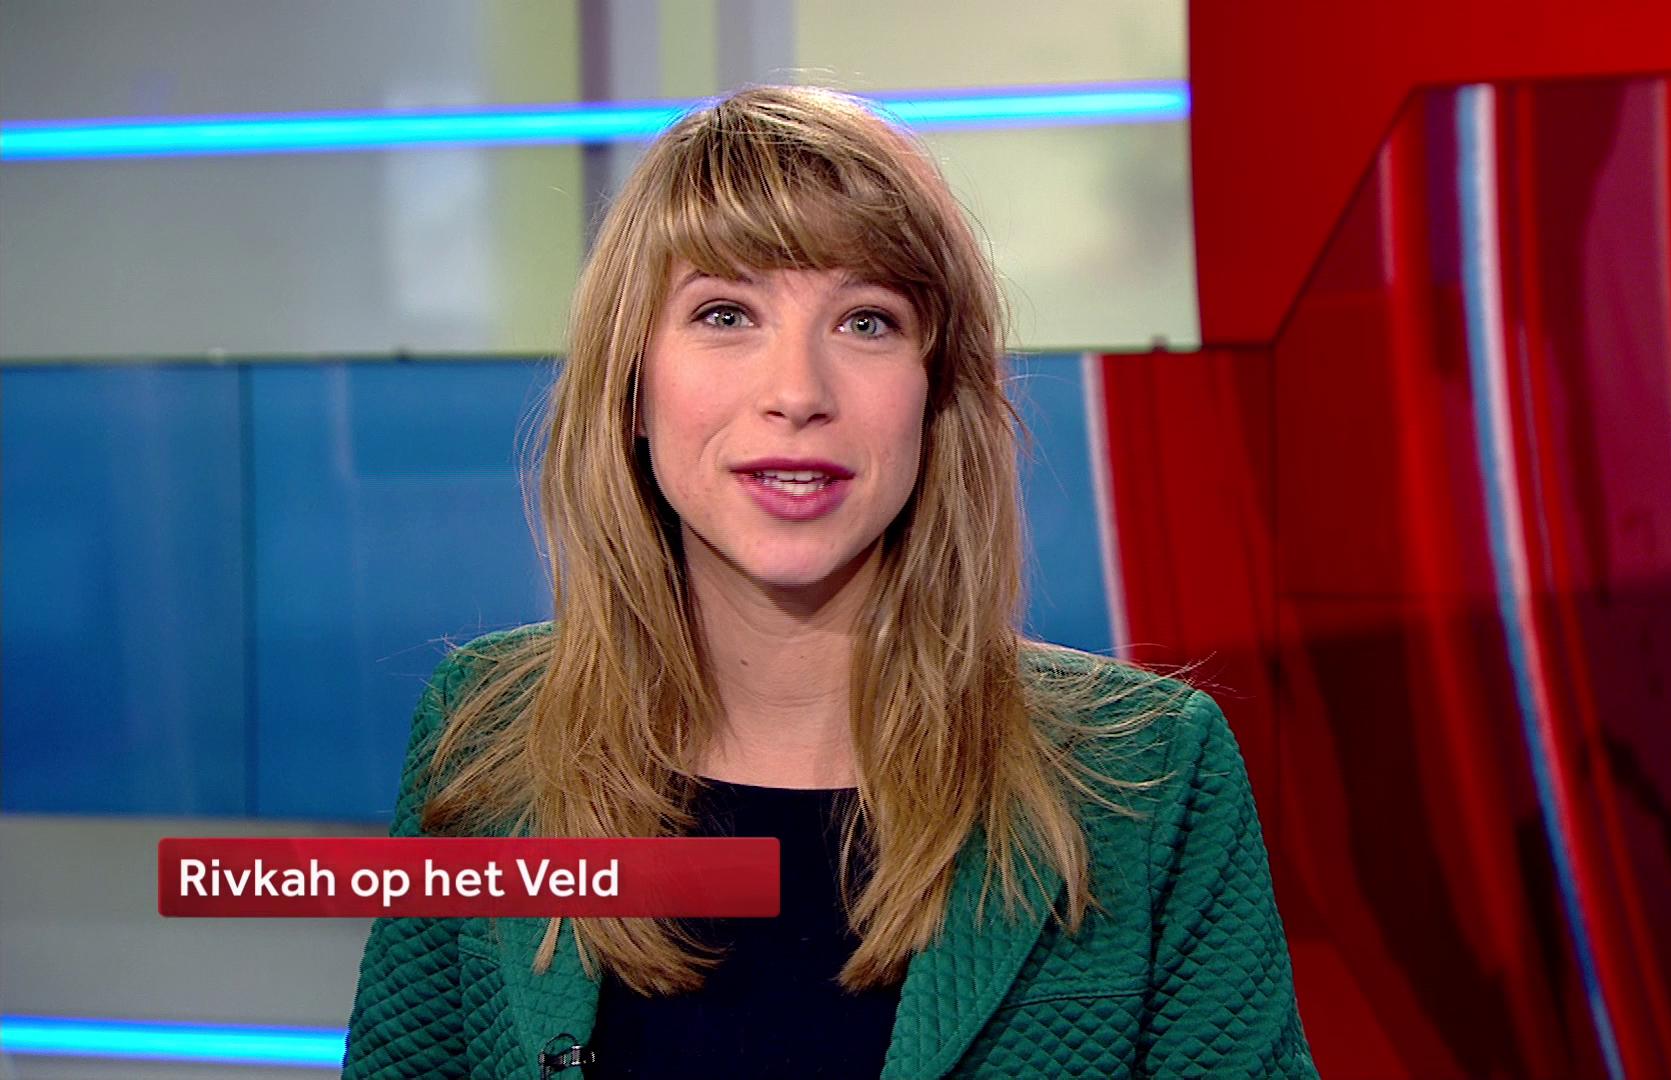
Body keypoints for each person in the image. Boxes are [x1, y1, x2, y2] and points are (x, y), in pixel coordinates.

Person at [343, 85, 1316, 1079]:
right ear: (631, 386)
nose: (798, 393)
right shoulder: (485, 740)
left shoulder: (1150, 777)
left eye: (866, 322)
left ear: (936, 393)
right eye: (726, 313)